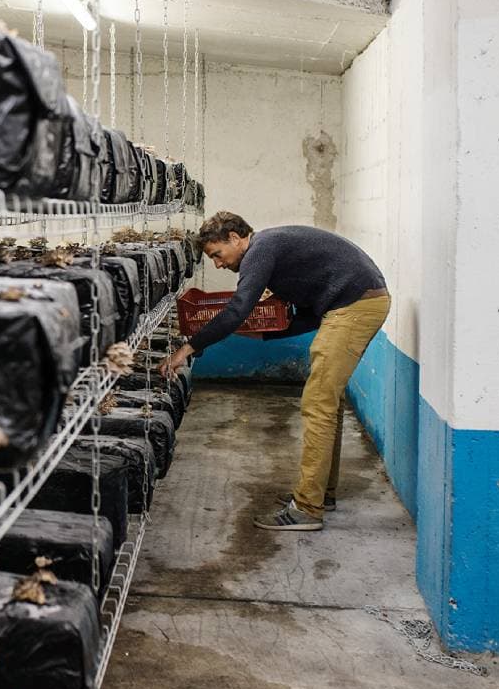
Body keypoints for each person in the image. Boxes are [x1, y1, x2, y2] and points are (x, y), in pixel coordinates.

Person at [159, 212, 389, 532]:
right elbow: (304, 316)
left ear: (236, 238)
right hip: (353, 303)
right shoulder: (271, 248)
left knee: (318, 402)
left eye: (217, 255)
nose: (217, 264)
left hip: (353, 306)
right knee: (326, 402)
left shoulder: (261, 249)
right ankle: (321, 493)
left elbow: (239, 307)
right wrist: (260, 333)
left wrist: (189, 347)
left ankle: (307, 509)